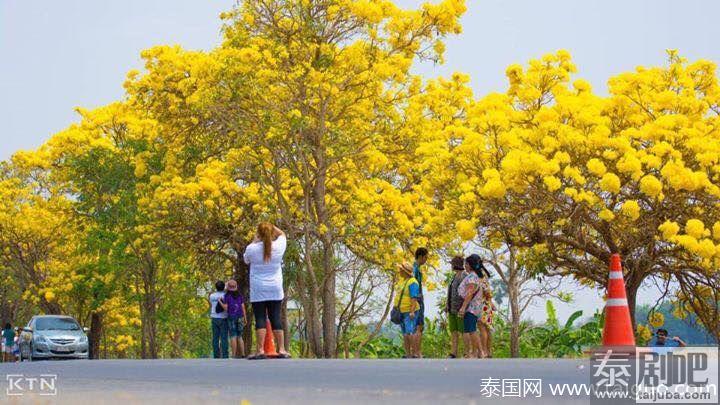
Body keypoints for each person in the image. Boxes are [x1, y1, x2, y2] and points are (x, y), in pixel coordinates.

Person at [244, 222, 291, 359]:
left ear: (258, 233)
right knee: (275, 317)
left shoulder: (252, 248)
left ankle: (260, 350)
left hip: (258, 288)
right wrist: (272, 227)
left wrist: (254, 239)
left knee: (260, 318)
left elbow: (246, 260)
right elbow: (282, 234)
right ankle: (282, 349)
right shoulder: (279, 246)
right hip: (275, 287)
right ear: (271, 233)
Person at [458, 254, 494, 358]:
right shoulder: (477, 276)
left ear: (470, 265)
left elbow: (470, 293)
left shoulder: (473, 277)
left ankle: (480, 352)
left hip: (472, 307)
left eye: (466, 264)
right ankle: (478, 352)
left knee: (472, 330)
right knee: (472, 329)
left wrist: (463, 307)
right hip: (475, 306)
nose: (465, 266)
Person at [395, 262, 421, 358]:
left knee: (410, 332)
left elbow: (413, 298)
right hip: (401, 311)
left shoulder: (413, 282)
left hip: (409, 311)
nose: (399, 272)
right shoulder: (403, 281)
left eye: (401, 270)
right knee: (405, 333)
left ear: (405, 271)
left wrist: (412, 311)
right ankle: (408, 354)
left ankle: (414, 353)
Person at [445, 256, 467, 358]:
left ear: (455, 265)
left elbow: (467, 293)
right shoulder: (454, 276)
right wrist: (447, 304)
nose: (451, 266)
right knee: (453, 331)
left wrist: (463, 307)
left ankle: (467, 352)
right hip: (452, 308)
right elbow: (450, 292)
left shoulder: (463, 276)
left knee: (463, 331)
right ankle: (453, 352)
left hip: (460, 309)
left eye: (452, 264)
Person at [221, 279, 247, 358]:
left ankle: (234, 355)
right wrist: (245, 318)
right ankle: (243, 354)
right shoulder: (240, 295)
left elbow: (225, 308)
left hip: (231, 317)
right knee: (240, 336)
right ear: (236, 287)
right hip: (240, 317)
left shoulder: (226, 296)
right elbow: (243, 307)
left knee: (233, 336)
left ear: (228, 287)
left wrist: (220, 302)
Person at [413, 247, 428, 356]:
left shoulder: (414, 268)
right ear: (421, 256)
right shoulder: (415, 270)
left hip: (415, 300)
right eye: (426, 257)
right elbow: (414, 286)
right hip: (417, 300)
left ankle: (415, 352)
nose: (426, 260)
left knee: (415, 327)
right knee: (419, 327)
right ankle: (417, 352)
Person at [209, 280, 229, 358]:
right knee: (224, 337)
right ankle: (225, 355)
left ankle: (216, 355)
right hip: (224, 318)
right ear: (223, 287)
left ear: (216, 287)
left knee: (215, 338)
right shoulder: (226, 296)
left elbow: (211, 304)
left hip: (214, 317)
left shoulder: (212, 296)